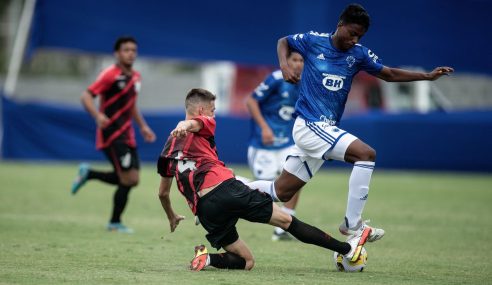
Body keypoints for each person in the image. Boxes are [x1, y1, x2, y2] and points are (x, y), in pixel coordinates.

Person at [247, 3, 454, 241]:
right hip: (310, 125)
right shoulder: (313, 41)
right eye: (352, 33)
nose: (355, 40)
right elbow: (283, 41)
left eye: (360, 36)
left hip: (321, 129)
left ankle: (226, 190)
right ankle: (352, 225)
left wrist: (427, 76)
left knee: (280, 191)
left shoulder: (359, 54)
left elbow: (388, 74)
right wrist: (284, 66)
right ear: (340, 25)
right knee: (366, 154)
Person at [157, 88, 371, 271]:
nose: (213, 115)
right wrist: (183, 125)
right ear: (202, 111)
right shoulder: (202, 123)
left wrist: (172, 216)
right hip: (226, 191)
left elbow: (163, 193)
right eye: (212, 111)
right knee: (287, 221)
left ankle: (207, 258)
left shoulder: (167, 151)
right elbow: (194, 124)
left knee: (247, 261)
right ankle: (347, 250)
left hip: (205, 211)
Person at [71, 36, 156, 233]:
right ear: (117, 53)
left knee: (132, 179)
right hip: (112, 134)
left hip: (128, 134)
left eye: (133, 50)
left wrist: (143, 126)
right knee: (128, 179)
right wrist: (98, 115)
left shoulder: (135, 77)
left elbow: (131, 103)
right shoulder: (109, 74)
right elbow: (86, 96)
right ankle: (114, 223)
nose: (130, 53)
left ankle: (89, 174)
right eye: (126, 50)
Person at [245, 51, 304, 241]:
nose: (297, 64)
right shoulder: (276, 79)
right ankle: (230, 192)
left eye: (302, 60)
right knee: (264, 194)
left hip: (287, 142)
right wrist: (264, 128)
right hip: (264, 145)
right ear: (286, 61)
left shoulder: (308, 83)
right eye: (294, 60)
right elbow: (251, 100)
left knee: (296, 179)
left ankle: (283, 228)